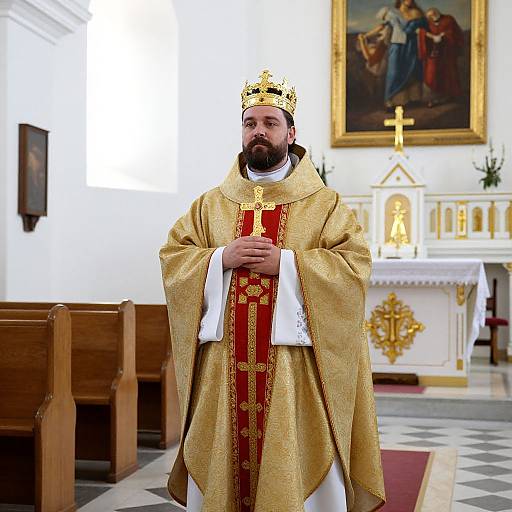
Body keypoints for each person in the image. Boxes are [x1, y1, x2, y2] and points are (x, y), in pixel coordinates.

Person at [160, 70, 385, 512]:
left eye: (270, 122)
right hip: (224, 369)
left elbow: (354, 267)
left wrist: (285, 263)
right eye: (250, 123)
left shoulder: (325, 204)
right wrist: (220, 258)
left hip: (293, 374)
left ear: (291, 131)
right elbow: (174, 257)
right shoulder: (211, 204)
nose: (258, 131)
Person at [383, 0, 428, 110]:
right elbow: (386, 28)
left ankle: (413, 99)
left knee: (413, 70)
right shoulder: (394, 13)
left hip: (411, 46)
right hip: (397, 46)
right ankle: (391, 101)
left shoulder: (417, 13)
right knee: (394, 72)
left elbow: (424, 27)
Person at [418, 7, 464, 107]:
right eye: (429, 17)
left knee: (449, 73)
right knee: (431, 74)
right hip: (434, 53)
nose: (431, 17)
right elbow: (422, 32)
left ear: (436, 13)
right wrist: (431, 36)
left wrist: (443, 35)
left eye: (432, 15)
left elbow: (454, 32)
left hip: (447, 52)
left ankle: (449, 96)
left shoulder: (448, 19)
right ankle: (433, 98)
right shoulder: (428, 23)